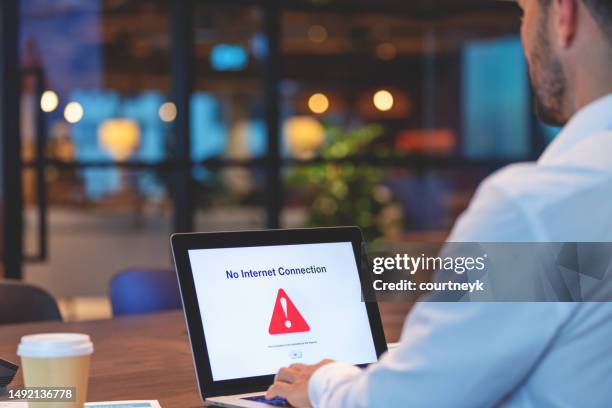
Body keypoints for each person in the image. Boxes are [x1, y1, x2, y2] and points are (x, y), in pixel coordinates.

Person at [266, 0, 612, 406]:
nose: (522, 35)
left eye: (524, 13)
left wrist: (323, 382)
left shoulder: (541, 208)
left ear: (562, 16)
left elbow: (406, 402)